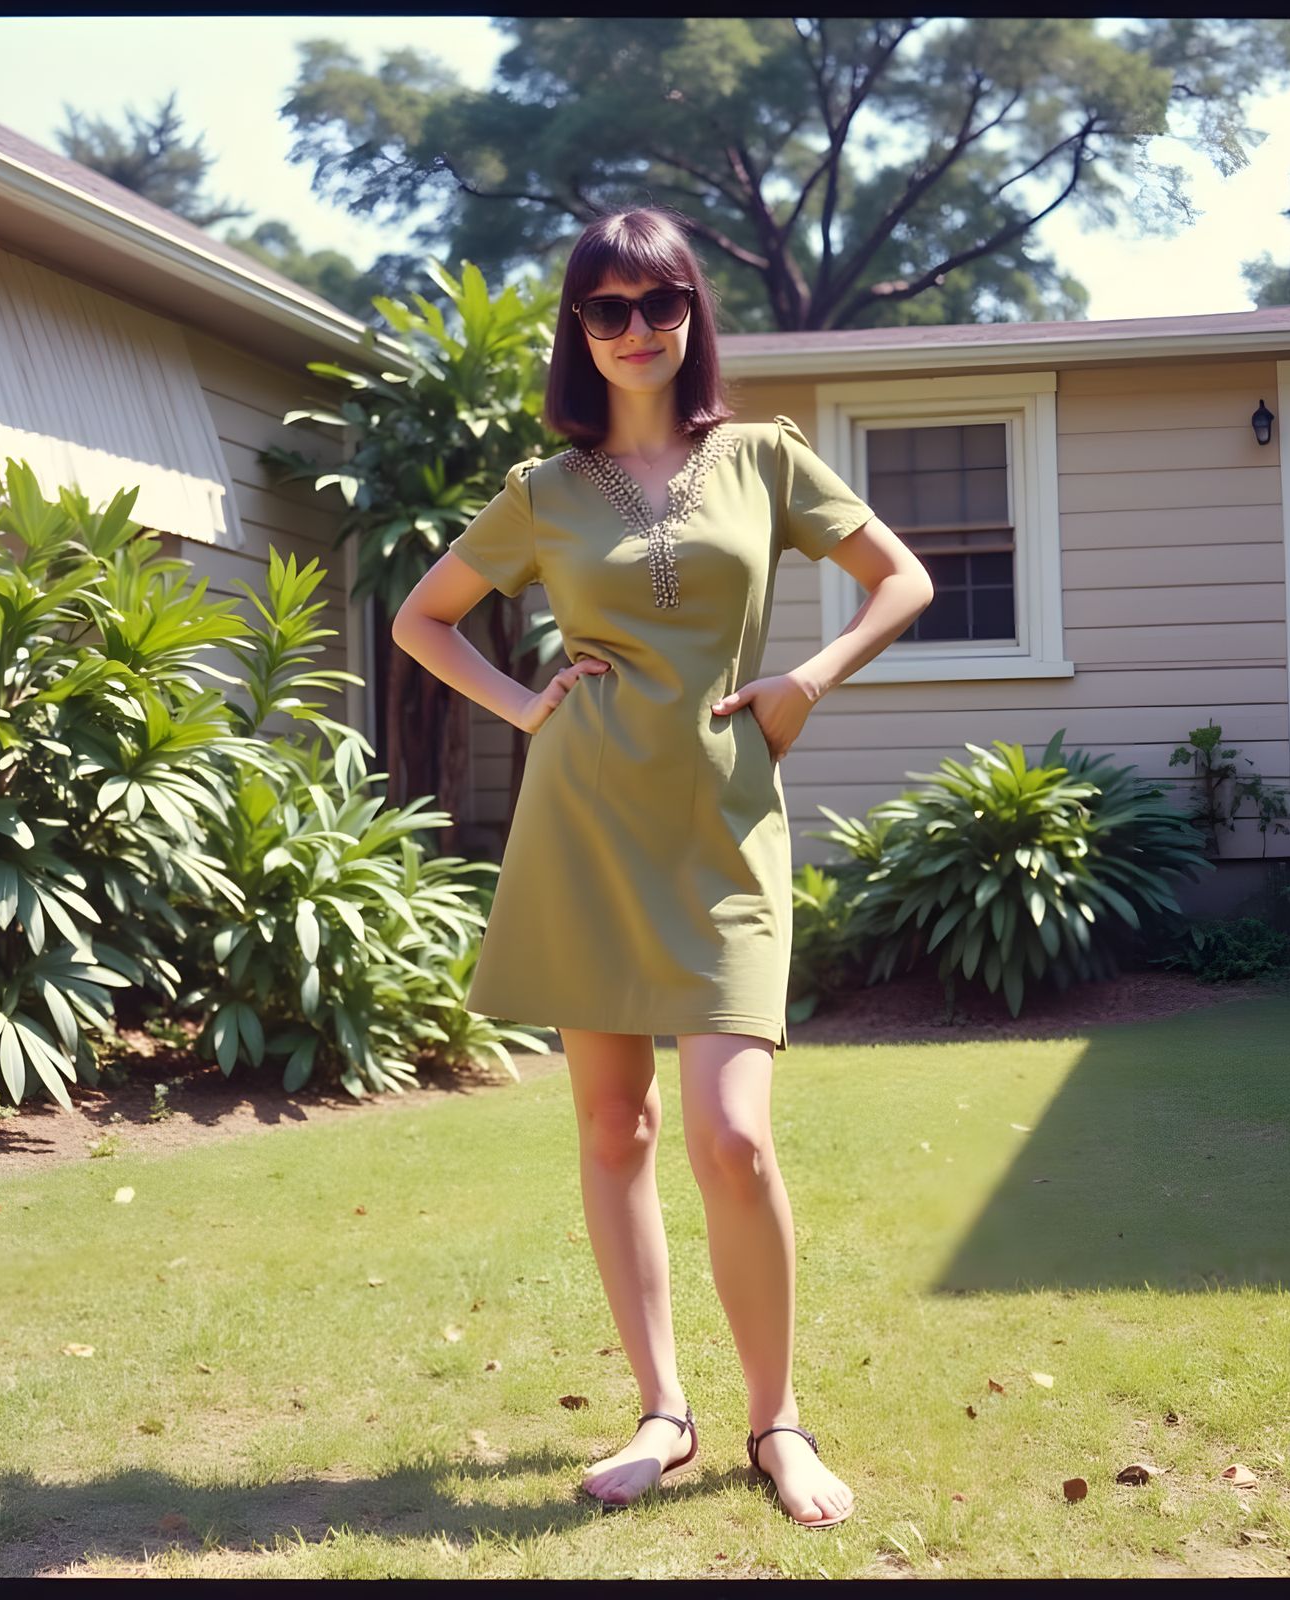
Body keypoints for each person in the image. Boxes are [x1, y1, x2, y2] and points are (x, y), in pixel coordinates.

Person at [391, 206, 932, 1529]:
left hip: (725, 825)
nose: (636, 329)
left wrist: (806, 677)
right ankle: (664, 1412)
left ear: (694, 315)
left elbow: (902, 579)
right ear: (581, 330)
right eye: (607, 310)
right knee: (611, 1127)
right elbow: (423, 620)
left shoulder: (764, 457)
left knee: (731, 1136)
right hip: (585, 823)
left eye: (661, 304)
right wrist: (525, 709)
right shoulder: (543, 492)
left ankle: (776, 1423)